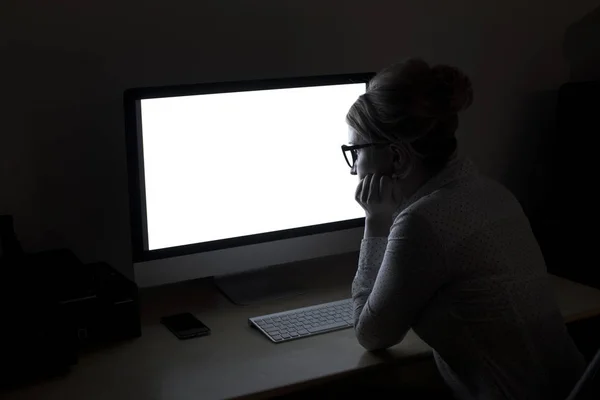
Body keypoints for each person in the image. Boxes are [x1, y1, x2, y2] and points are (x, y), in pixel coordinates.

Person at [345, 59, 586, 400]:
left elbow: (371, 335)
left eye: (355, 151)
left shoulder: (422, 222)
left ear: (397, 158)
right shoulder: (491, 192)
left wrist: (376, 221)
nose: (353, 168)